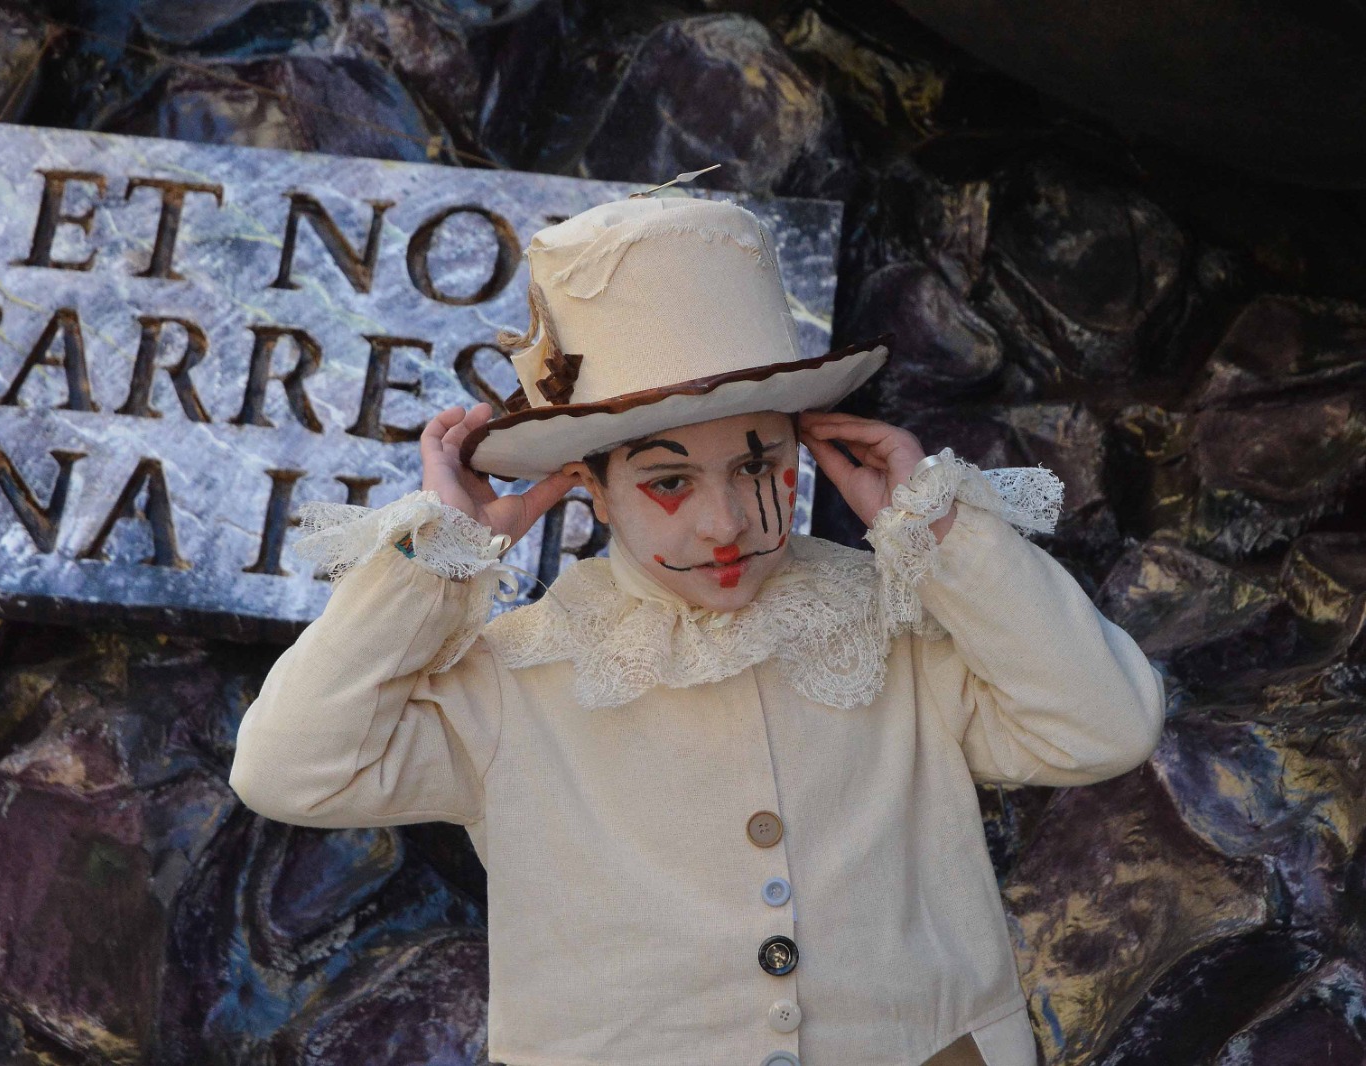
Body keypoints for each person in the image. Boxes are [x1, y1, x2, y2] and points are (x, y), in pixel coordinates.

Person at [228, 193, 1166, 1066]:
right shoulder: (521, 675)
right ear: (588, 489)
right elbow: (290, 769)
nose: (722, 523)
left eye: (757, 467)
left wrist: (945, 537)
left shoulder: (894, 631)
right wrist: (435, 562)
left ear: (799, 458)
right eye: (668, 481)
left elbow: (1106, 725)